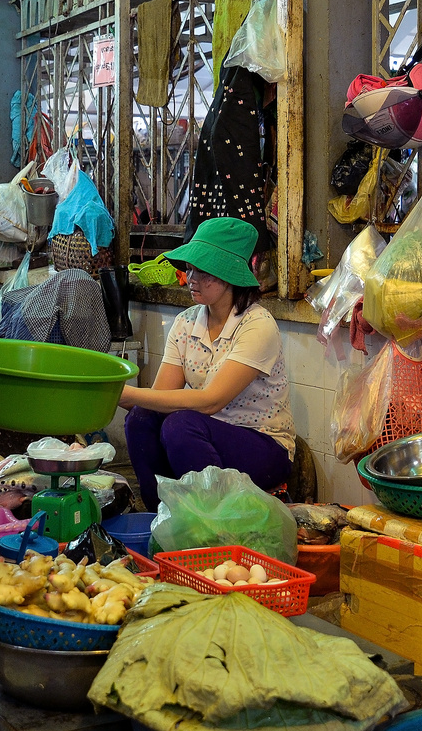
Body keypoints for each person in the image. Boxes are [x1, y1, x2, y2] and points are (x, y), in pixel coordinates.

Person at [120, 217, 294, 511]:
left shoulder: (257, 325)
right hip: (202, 436)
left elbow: (210, 402)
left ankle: (211, 524)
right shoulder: (186, 323)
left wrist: (123, 393)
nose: (192, 278)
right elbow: (161, 397)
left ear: (230, 275)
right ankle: (160, 517)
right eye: (189, 268)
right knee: (140, 418)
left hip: (264, 447)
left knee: (180, 424)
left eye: (203, 270)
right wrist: (114, 396)